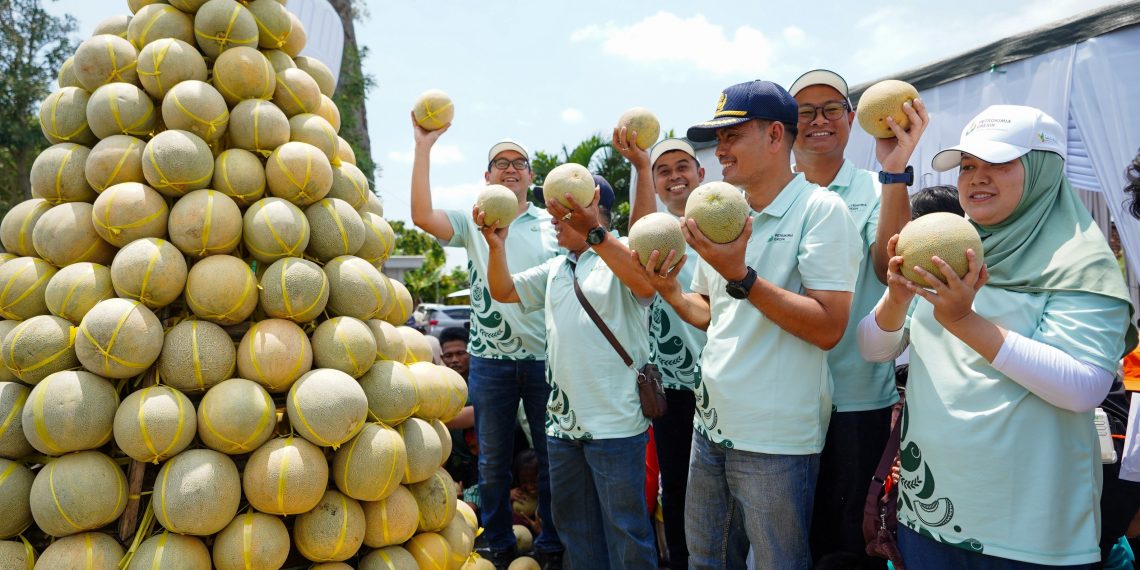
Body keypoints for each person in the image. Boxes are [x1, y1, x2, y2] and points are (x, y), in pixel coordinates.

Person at [858, 104, 1135, 568]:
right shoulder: (947, 248)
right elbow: (874, 348)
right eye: (968, 166)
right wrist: (897, 298)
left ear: (1043, 169)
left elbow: (1083, 386)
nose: (976, 178)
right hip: (929, 514)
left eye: (998, 164)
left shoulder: (1080, 261)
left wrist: (966, 321)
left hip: (1029, 532)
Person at [637, 79, 861, 569]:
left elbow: (828, 328)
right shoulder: (721, 212)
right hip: (711, 426)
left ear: (776, 135)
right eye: (717, 138)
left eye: (732, 135)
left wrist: (742, 274)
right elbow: (712, 314)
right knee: (706, 560)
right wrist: (670, 290)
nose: (720, 149)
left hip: (776, 439)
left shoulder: (821, 211)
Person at [477, 174, 659, 570]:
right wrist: (497, 246)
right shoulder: (557, 268)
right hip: (562, 430)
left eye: (562, 212)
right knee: (576, 532)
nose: (552, 219)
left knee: (626, 531)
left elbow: (646, 285)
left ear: (593, 210)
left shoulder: (624, 251)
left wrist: (594, 232)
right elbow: (503, 290)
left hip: (616, 426)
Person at [787, 69, 929, 569]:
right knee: (787, 541)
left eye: (831, 109)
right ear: (784, 125)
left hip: (857, 395)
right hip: (782, 399)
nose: (818, 120)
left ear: (852, 121)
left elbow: (883, 264)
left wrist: (894, 170)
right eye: (805, 111)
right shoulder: (768, 194)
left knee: (850, 545)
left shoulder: (876, 185)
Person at [410, 118, 562, 569]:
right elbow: (421, 216)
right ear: (488, 177)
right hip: (492, 362)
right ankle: (496, 543)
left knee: (552, 460)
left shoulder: (551, 225)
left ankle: (552, 545)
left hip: (544, 360)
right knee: (493, 462)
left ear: (531, 177)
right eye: (501, 163)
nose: (511, 169)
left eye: (520, 164)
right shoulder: (475, 222)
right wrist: (424, 147)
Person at [615, 134, 707, 570]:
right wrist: (639, 164)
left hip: (722, 381)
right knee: (676, 484)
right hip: (669, 385)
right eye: (663, 171)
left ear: (700, 173)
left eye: (682, 167)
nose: (674, 177)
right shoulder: (652, 232)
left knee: (726, 486)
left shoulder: (722, 222)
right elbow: (636, 239)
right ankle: (682, 562)